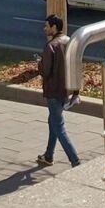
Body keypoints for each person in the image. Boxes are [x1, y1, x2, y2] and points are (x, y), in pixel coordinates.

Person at [36, 14, 80, 168]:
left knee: (59, 126)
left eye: (47, 26)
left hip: (54, 91)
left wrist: (40, 64)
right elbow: (76, 67)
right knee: (53, 121)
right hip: (67, 90)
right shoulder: (70, 42)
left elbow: (46, 71)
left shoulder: (51, 46)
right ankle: (48, 155)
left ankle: (75, 161)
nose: (45, 28)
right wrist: (76, 92)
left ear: (54, 27)